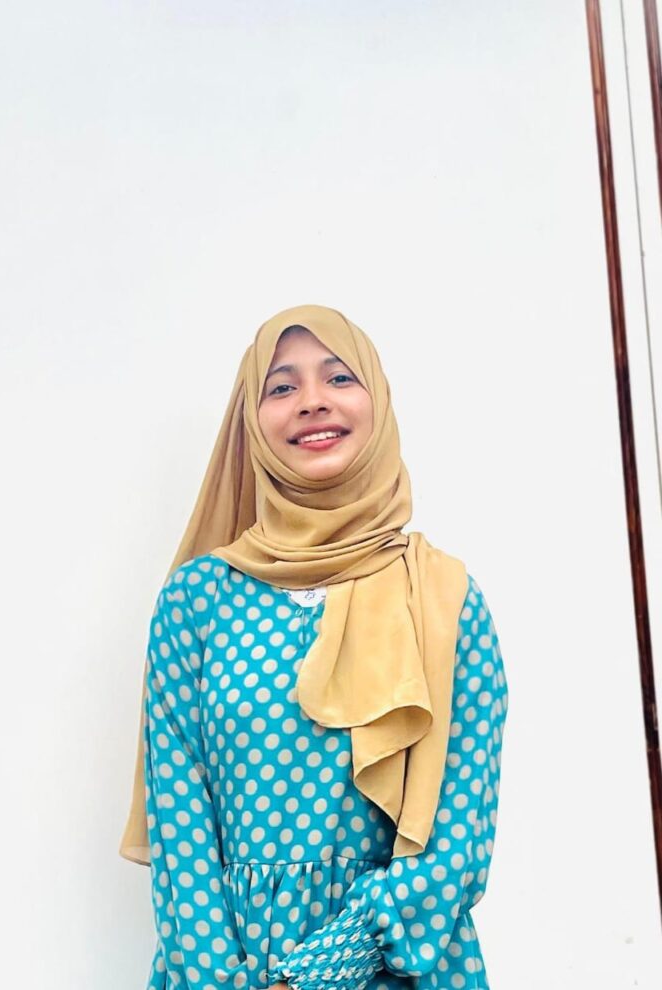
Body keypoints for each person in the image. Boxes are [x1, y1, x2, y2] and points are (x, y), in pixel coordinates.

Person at [118, 305, 509, 990]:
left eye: (339, 377)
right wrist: (221, 982)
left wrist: (313, 978)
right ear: (251, 422)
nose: (313, 401)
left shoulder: (445, 600)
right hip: (226, 968)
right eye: (282, 386)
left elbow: (457, 845)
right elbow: (179, 822)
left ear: (376, 401)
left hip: (395, 969)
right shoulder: (196, 601)